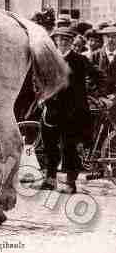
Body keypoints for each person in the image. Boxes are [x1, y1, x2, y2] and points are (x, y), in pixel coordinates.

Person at [39, 27, 104, 194]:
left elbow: (98, 76)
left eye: (66, 40)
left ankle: (70, 182)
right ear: (55, 41)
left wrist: (92, 93)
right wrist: (42, 96)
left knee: (70, 146)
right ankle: (50, 179)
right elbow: (38, 79)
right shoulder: (49, 59)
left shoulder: (80, 60)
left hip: (73, 111)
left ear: (71, 42)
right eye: (59, 39)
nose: (62, 42)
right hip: (51, 109)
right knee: (50, 145)